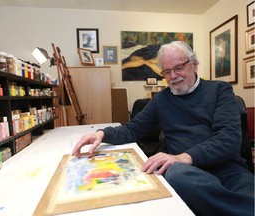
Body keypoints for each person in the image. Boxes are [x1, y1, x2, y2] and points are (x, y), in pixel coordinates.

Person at [72, 41, 254, 216]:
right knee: (175, 173)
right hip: (189, 175)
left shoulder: (220, 90)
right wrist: (102, 133)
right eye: (167, 71)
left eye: (179, 68)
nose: (173, 76)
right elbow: (133, 129)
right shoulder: (161, 99)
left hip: (229, 171)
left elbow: (228, 138)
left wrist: (184, 157)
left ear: (195, 64)